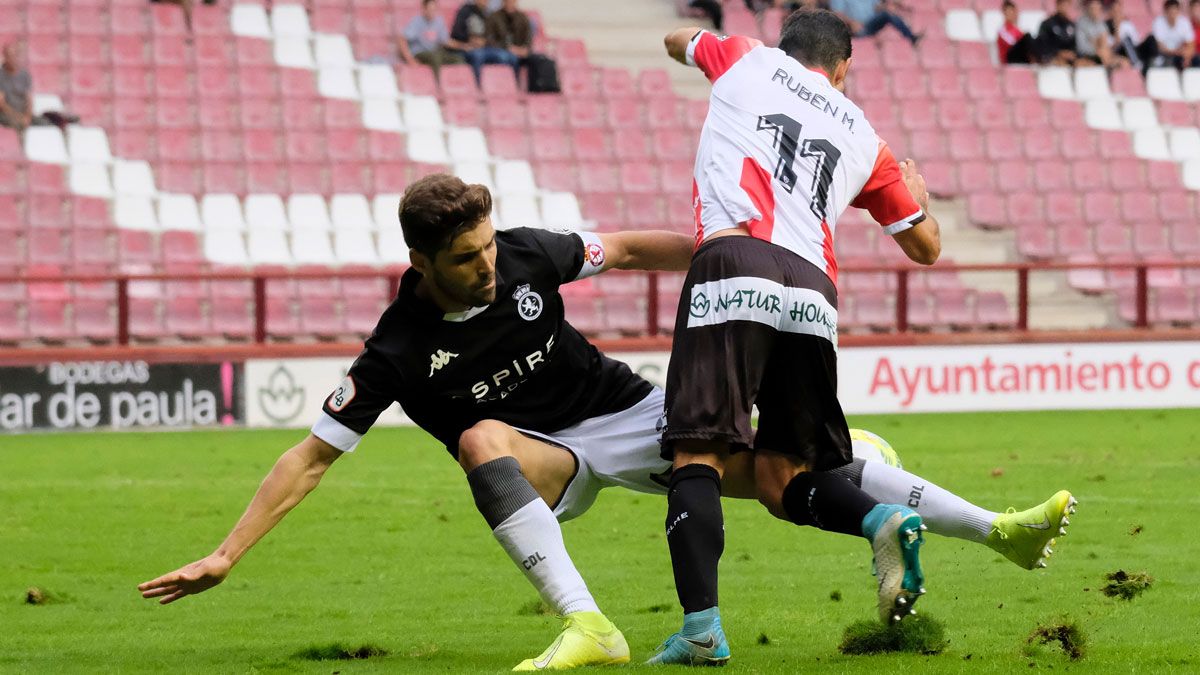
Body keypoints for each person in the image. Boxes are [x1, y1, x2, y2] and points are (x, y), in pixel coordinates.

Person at [136, 173, 1076, 669]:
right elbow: (310, 457)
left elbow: (624, 248)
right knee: (478, 440)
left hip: (633, 408)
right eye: (464, 259)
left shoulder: (525, 252)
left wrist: (726, 252)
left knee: (789, 480)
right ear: (419, 259)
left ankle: (1002, 532)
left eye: (486, 247)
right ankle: (591, 624)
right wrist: (227, 552)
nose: (488, 268)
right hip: (552, 461)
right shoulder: (395, 348)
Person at [653, 8, 944, 665]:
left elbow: (678, 40)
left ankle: (701, 629)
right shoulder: (865, 134)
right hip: (813, 290)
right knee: (781, 476)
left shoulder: (745, 56)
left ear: (785, 45)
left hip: (736, 262)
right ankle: (882, 520)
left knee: (696, 454)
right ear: (842, 68)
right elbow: (926, 246)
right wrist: (917, 190)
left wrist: (687, 49)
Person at [0, 43, 77, 133]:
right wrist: (18, 117)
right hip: (7, 115)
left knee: (45, 124)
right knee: (17, 124)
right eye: (10, 56)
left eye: (15, 55)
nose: (13, 59)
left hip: (24, 114)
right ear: (5, 56)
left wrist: (27, 117)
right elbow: (2, 104)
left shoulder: (24, 75)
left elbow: (29, 99)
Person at [450, 0, 517, 84]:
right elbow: (456, 33)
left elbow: (495, 36)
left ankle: (501, 85)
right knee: (478, 55)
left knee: (504, 56)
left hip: (486, 47)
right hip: (468, 47)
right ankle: (478, 86)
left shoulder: (489, 14)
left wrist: (485, 41)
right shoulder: (465, 11)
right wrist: (471, 40)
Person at [398, 0, 467, 78]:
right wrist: (410, 59)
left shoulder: (439, 21)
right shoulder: (416, 21)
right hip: (420, 52)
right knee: (435, 58)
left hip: (435, 52)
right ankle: (438, 85)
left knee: (458, 59)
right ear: (424, 9)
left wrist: (463, 46)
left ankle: (456, 83)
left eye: (434, 9)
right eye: (430, 9)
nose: (432, 12)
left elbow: (445, 41)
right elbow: (402, 39)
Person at [828, 0, 923, 46]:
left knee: (888, 14)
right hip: (851, 29)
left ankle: (911, 37)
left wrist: (887, 7)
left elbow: (876, 7)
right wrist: (851, 22)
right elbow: (837, 13)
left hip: (869, 25)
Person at [483, 0, 532, 78]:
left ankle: (535, 86)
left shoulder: (523, 17)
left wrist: (524, 49)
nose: (510, 3)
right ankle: (513, 83)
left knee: (536, 59)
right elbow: (489, 39)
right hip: (500, 49)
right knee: (506, 57)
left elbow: (528, 38)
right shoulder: (494, 17)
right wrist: (508, 48)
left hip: (519, 50)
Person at [1109, 0, 1158, 72]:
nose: (1117, 13)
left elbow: (1136, 41)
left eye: (1118, 10)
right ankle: (1136, 64)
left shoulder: (1127, 23)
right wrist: (1117, 26)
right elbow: (1113, 46)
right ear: (1111, 12)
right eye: (1115, 10)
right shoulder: (1108, 26)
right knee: (1126, 39)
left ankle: (1156, 61)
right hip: (1120, 51)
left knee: (1151, 38)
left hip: (1133, 49)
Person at [1152, 0, 1200, 68]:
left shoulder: (1184, 23)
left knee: (1195, 60)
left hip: (1179, 55)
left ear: (1178, 11)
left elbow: (1191, 45)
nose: (1172, 15)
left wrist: (1187, 57)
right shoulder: (1158, 22)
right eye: (1170, 12)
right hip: (1164, 55)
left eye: (1174, 11)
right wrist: (1176, 52)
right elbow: (1159, 46)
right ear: (1165, 12)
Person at [1076, 0, 1125, 67]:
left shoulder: (1101, 24)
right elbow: (1081, 47)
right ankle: (1108, 67)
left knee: (1124, 62)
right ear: (1088, 8)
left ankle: (1109, 66)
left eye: (1098, 8)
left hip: (1103, 54)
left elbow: (1107, 43)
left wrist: (1117, 29)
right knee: (1103, 53)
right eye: (1094, 8)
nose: (1097, 10)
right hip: (1088, 55)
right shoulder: (1081, 23)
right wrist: (1096, 49)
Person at [1036, 0, 1078, 65]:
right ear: (1057, 5)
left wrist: (1071, 53)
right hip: (1051, 58)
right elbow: (1042, 44)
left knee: (1083, 64)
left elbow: (1074, 44)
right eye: (1062, 4)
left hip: (1069, 59)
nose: (1065, 7)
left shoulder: (1072, 25)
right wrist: (1058, 53)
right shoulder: (1047, 24)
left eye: (1067, 4)